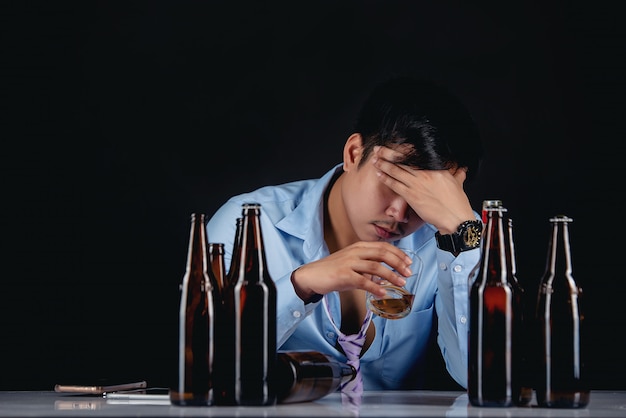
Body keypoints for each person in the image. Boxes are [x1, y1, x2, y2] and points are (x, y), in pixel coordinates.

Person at [207, 75, 484, 390]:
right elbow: (208, 364)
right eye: (393, 181)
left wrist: (462, 233)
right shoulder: (246, 225)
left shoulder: (455, 233)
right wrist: (301, 285)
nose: (399, 212)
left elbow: (483, 379)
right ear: (354, 153)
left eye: (424, 198)